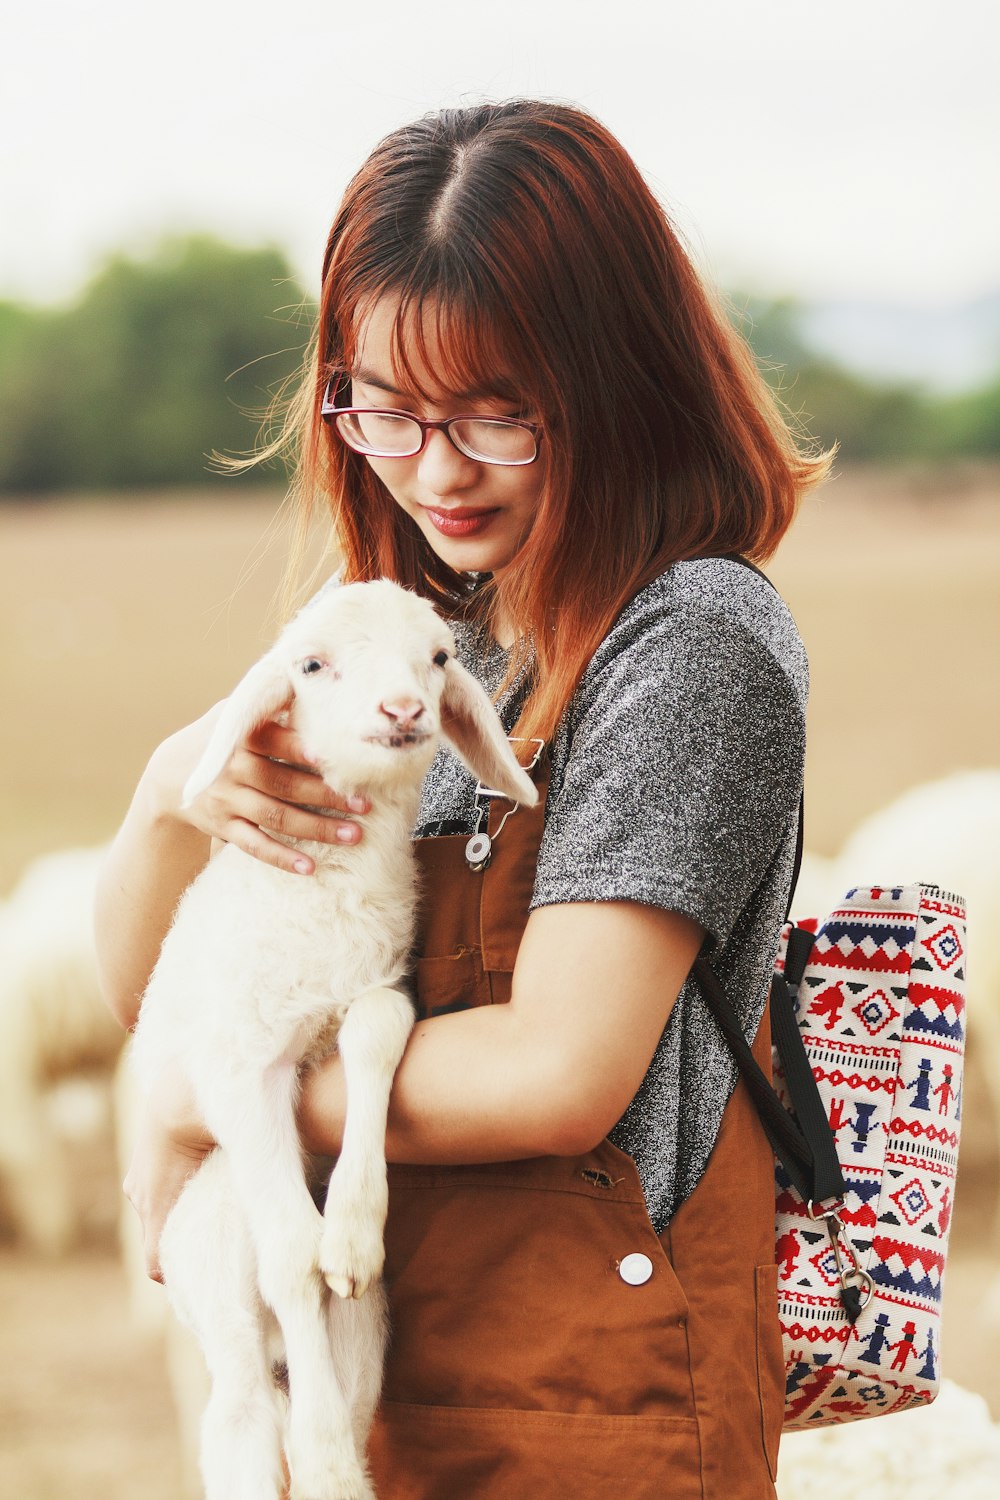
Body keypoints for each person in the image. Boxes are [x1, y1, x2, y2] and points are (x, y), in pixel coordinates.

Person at [96, 99, 830, 1499]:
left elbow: (556, 1072)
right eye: (389, 407)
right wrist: (167, 798)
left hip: (602, 1412)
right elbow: (169, 990)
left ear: (616, 376)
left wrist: (213, 1101)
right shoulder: (409, 634)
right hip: (385, 1383)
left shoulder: (690, 648)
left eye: (498, 409)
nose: (435, 469)